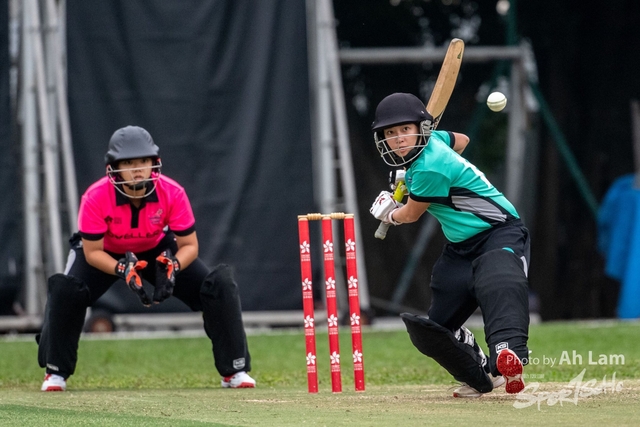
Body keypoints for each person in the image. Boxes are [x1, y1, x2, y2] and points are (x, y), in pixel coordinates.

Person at [37, 125, 256, 391]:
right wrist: (121, 269)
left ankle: (234, 370)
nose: (137, 169)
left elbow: (190, 246)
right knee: (65, 290)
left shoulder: (172, 192)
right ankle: (55, 372)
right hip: (105, 252)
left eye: (143, 161)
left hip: (155, 247)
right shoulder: (95, 196)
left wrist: (174, 265)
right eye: (128, 163)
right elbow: (92, 252)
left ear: (154, 163)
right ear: (114, 167)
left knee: (218, 285)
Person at [369, 93, 530, 398]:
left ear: (420, 129)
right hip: (460, 248)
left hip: (499, 232)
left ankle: (507, 355)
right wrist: (418, 163)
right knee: (436, 330)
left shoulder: (430, 168)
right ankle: (479, 373)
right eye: (391, 133)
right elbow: (463, 140)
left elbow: (411, 214)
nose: (398, 138)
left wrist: (389, 212)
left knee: (498, 279)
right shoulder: (433, 142)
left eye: (405, 129)